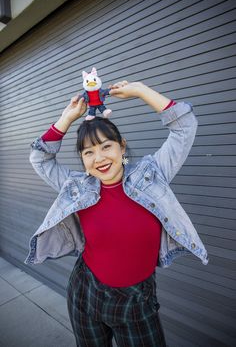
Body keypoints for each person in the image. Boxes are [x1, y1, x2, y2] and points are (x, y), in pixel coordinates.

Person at [24, 80, 209, 347]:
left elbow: (185, 126)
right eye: (88, 152)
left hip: (137, 301)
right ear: (83, 159)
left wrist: (139, 91)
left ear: (121, 146)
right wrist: (67, 117)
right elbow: (39, 159)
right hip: (85, 293)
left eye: (106, 146)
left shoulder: (151, 174)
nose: (99, 158)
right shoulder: (77, 187)